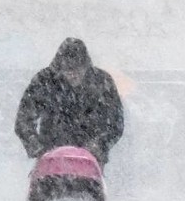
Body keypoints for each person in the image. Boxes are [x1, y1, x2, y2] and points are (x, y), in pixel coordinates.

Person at [15, 37, 124, 167]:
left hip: (90, 160)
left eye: (78, 70)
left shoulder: (102, 82)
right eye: (68, 70)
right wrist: (38, 148)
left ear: (86, 67)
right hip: (50, 158)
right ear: (59, 68)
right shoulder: (44, 81)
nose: (73, 75)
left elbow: (115, 123)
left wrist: (99, 145)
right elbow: (23, 120)